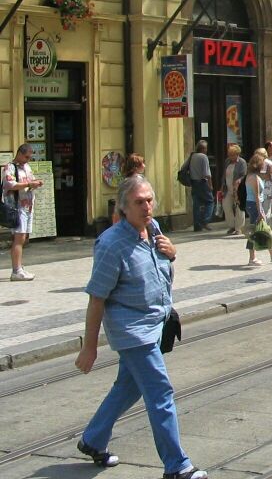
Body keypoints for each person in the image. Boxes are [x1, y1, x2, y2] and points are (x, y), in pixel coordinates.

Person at [74, 176, 209, 479]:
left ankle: (93, 439)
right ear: (123, 207)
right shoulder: (111, 245)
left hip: (154, 323)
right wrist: (90, 347)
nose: (147, 206)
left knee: (128, 387)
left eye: (149, 200)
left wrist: (172, 254)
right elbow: (97, 298)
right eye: (139, 202)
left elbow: (162, 273)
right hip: (132, 331)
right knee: (160, 391)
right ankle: (177, 466)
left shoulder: (155, 230)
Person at [3, 143, 44, 281]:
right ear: (20, 154)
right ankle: (16, 271)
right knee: (18, 238)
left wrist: (35, 183)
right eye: (26, 157)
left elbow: (29, 181)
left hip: (28, 207)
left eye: (30, 157)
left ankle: (19, 266)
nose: (28, 159)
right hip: (17, 207)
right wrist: (28, 184)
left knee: (23, 238)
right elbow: (10, 184)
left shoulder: (26, 167)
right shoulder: (10, 167)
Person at [244, 153, 272, 266]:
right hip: (254, 205)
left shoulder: (253, 175)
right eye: (262, 164)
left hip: (253, 205)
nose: (264, 166)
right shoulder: (254, 178)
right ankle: (252, 258)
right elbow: (257, 196)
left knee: (263, 230)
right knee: (255, 232)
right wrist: (261, 211)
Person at [185, 141, 214, 232]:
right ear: (203, 149)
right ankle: (204, 221)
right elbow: (207, 173)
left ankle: (197, 226)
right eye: (206, 148)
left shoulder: (192, 156)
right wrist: (210, 184)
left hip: (194, 183)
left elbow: (184, 167)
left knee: (196, 205)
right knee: (210, 202)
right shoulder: (203, 157)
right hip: (202, 183)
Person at [112, 153, 147, 225]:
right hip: (135, 215)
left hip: (124, 214)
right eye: (142, 163)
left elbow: (118, 202)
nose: (144, 166)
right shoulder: (138, 181)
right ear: (136, 166)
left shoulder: (125, 181)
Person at [221, 144, 247, 236]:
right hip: (227, 188)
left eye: (232, 154)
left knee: (239, 208)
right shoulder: (227, 162)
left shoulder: (242, 162)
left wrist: (239, 180)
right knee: (226, 206)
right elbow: (224, 175)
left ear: (237, 154)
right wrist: (222, 186)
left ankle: (239, 227)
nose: (230, 156)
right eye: (229, 154)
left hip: (238, 189)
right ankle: (232, 225)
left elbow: (244, 175)